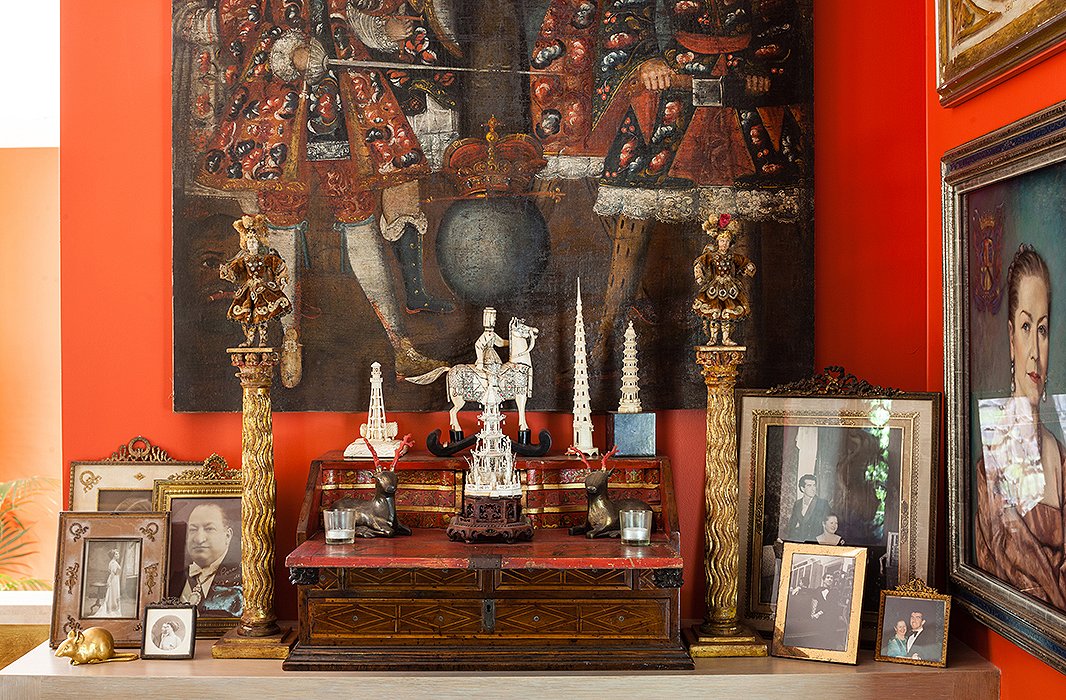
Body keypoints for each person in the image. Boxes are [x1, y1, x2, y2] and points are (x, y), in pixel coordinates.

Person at [975, 244, 1066, 610]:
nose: (1034, 351)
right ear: (1011, 337)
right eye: (1026, 327)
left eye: (1042, 330)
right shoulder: (990, 465)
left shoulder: (1060, 457)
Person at [220, 215, 293, 348]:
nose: (252, 244)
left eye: (254, 242)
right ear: (245, 244)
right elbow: (234, 273)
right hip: (248, 290)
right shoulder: (242, 260)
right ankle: (249, 340)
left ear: (259, 243)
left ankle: (263, 340)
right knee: (247, 317)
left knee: (262, 315)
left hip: (262, 288)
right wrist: (227, 273)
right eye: (249, 242)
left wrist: (282, 278)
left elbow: (279, 266)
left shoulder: (266, 258)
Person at [692, 213, 756, 346]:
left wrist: (748, 268)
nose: (724, 244)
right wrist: (698, 276)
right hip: (714, 286)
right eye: (722, 241)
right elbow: (699, 263)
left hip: (730, 287)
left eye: (726, 241)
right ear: (717, 242)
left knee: (727, 313)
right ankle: (713, 339)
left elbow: (746, 263)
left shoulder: (732, 256)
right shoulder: (712, 255)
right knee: (714, 312)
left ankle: (726, 338)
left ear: (730, 243)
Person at [178, 503, 242, 617]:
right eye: (193, 529)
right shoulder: (174, 579)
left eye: (209, 529)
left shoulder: (244, 579)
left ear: (228, 535)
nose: (199, 539)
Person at [785, 474, 830, 543]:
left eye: (814, 485)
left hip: (815, 543)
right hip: (799, 541)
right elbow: (792, 525)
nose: (813, 489)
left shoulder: (823, 504)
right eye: (809, 485)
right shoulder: (797, 504)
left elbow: (829, 525)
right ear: (802, 488)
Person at [102, 549, 122, 617]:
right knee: (113, 594)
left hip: (115, 579)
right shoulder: (113, 563)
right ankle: (111, 610)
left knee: (114, 594)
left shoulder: (113, 562)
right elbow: (113, 573)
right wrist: (109, 582)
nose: (118, 555)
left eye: (118, 553)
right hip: (114, 580)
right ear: (113, 555)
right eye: (116, 554)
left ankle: (113, 609)